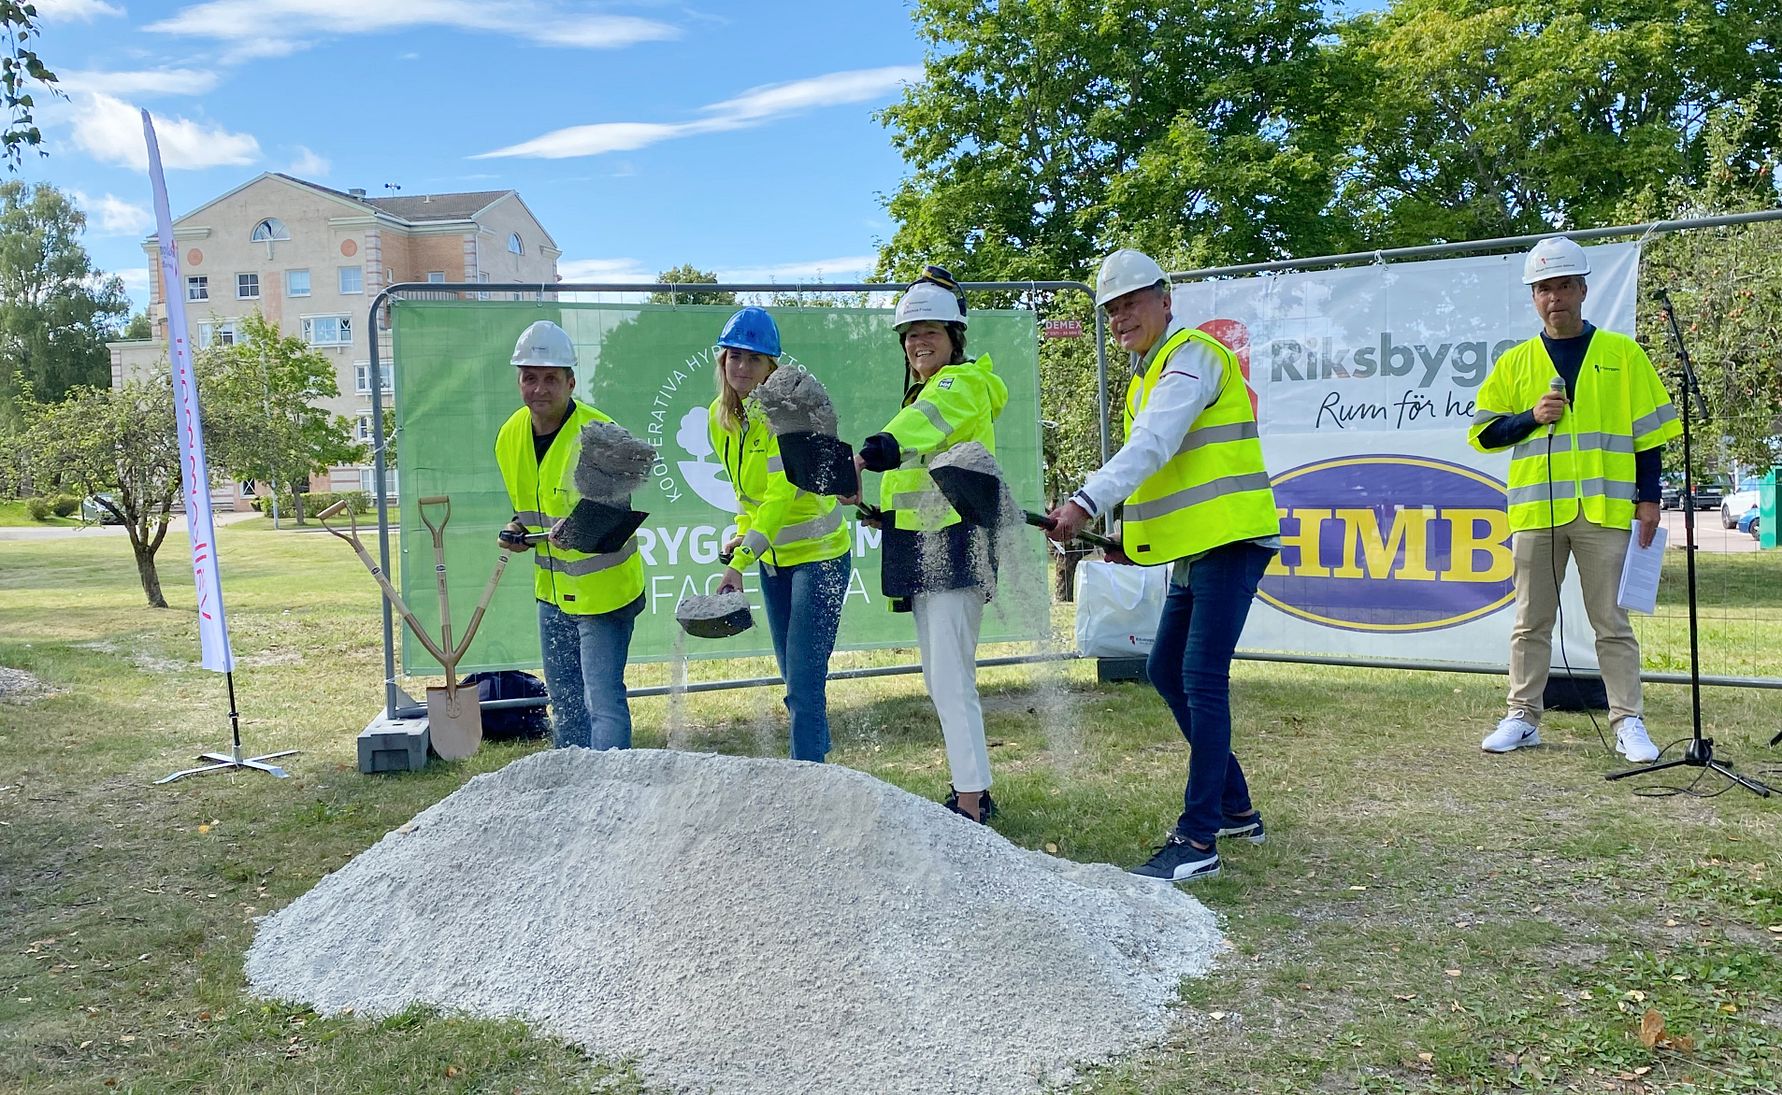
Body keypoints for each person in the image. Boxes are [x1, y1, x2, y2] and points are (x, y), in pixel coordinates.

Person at [1046, 249, 1280, 883]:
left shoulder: (1192, 357)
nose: (1120, 318)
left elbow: (1153, 444)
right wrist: (1127, 537)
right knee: (1165, 669)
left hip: (1233, 540)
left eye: (1131, 303)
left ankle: (1199, 838)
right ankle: (1236, 809)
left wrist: (1085, 502)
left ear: (1165, 299)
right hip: (1200, 548)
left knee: (1200, 677)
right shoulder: (1148, 375)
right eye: (1111, 310)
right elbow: (1163, 472)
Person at [1469, 236, 1679, 762]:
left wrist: (1649, 499)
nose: (1554, 297)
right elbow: (1484, 433)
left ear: (1583, 290)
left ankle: (1628, 722)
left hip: (1604, 511)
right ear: (1533, 297)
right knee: (1530, 622)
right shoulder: (1515, 362)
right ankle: (1523, 717)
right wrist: (1530, 417)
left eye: (1564, 286)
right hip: (1537, 512)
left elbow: (1648, 436)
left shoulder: (1622, 354)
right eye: (1544, 289)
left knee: (1612, 624)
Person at [852, 266, 1007, 822]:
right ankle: (973, 791)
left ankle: (970, 802)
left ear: (954, 337)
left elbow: (918, 428)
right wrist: (882, 513)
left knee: (949, 677)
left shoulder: (958, 384)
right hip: (926, 543)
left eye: (930, 332)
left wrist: (865, 456)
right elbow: (921, 468)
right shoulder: (927, 392)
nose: (918, 342)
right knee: (944, 676)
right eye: (910, 334)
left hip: (955, 545)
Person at [708, 306, 853, 763]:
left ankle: (806, 778)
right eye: (735, 356)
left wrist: (740, 562)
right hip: (774, 562)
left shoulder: (787, 415)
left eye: (754, 359)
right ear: (723, 360)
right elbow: (747, 499)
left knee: (804, 683)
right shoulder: (720, 417)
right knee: (795, 680)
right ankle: (818, 768)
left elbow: (780, 496)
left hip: (820, 558)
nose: (742, 367)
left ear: (772, 366)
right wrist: (743, 535)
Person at [495, 320, 646, 750]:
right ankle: (575, 786)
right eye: (530, 378)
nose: (539, 389)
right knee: (565, 703)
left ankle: (613, 785)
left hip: (605, 594)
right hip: (552, 594)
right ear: (519, 381)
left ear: (571, 382)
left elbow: (618, 515)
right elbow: (531, 504)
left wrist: (579, 529)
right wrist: (516, 528)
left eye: (550, 379)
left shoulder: (601, 436)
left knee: (603, 703)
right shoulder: (510, 436)